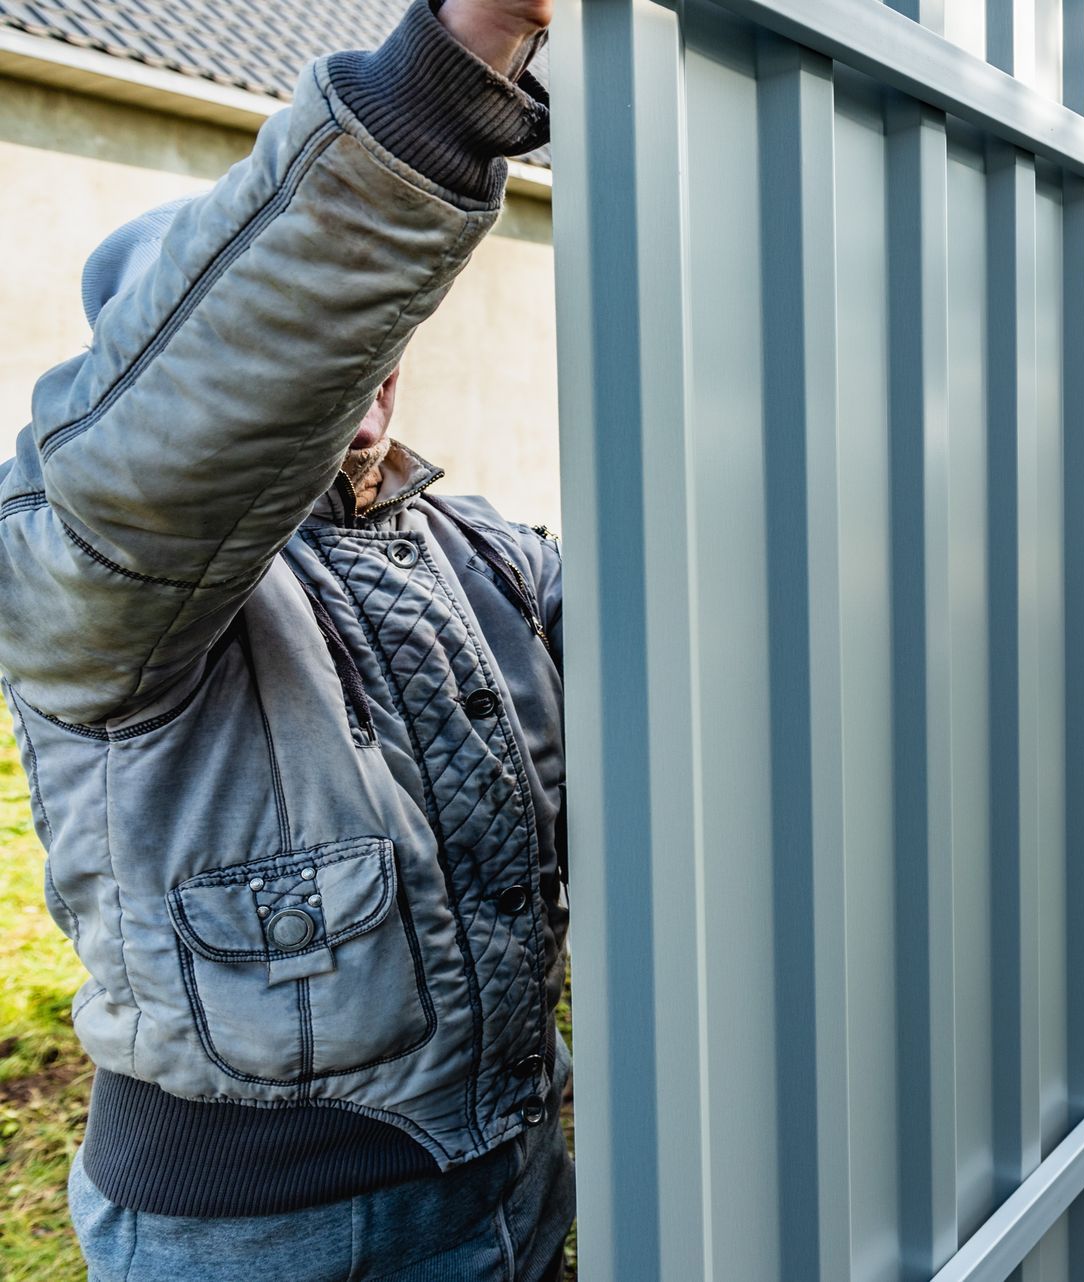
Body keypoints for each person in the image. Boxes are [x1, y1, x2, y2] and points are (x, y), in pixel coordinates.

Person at [0, 0, 572, 1276]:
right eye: (314, 351)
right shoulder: (95, 570)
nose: (359, 364)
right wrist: (457, 65)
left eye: (372, 339)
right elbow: (227, 390)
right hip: (264, 1236)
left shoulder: (473, 552)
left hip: (506, 1178)